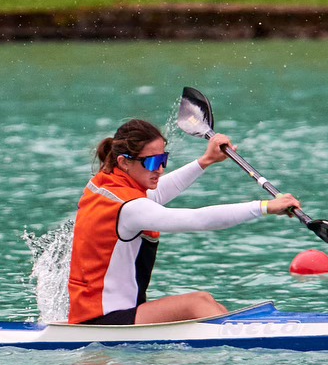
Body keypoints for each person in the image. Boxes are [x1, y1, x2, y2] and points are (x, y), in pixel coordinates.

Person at [68, 118, 301, 325]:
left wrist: (206, 161)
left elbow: (156, 194)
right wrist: (264, 207)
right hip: (106, 322)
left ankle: (242, 339)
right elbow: (198, 219)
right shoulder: (130, 207)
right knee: (196, 303)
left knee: (205, 301)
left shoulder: (107, 186)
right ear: (124, 162)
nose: (159, 169)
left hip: (106, 316)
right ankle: (245, 348)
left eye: (163, 159)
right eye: (151, 162)